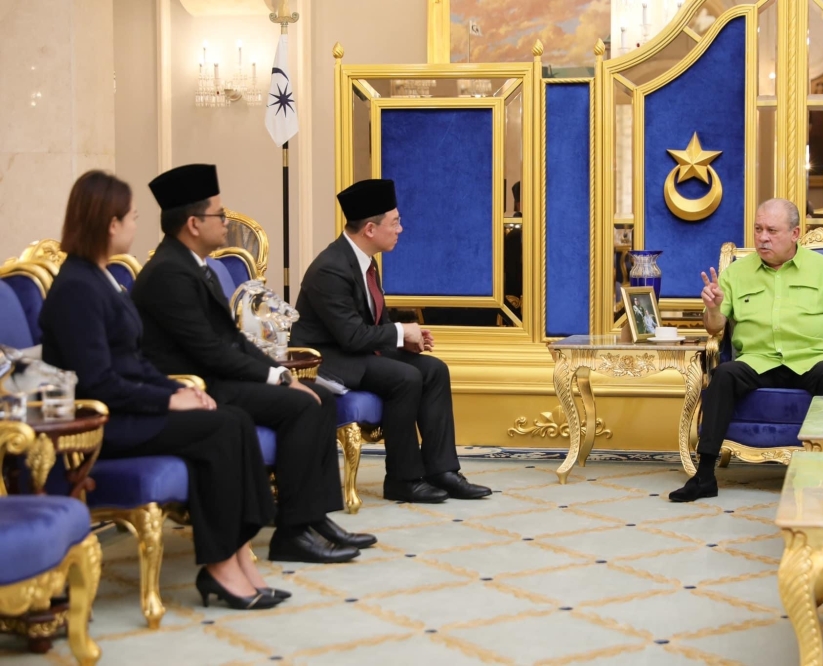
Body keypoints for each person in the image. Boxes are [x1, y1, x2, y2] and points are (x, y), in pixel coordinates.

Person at [40, 171, 283, 610]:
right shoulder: (76, 287)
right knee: (222, 429)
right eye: (131, 217)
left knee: (232, 419)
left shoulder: (100, 277)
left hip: (130, 407)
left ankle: (237, 554)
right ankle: (220, 567)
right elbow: (98, 382)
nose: (137, 225)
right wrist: (169, 398)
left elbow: (134, 361)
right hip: (104, 423)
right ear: (109, 224)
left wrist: (179, 389)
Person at [131, 164, 375, 564]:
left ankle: (314, 517)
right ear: (193, 223)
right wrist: (277, 378)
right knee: (299, 404)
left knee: (319, 397)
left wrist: (280, 374)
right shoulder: (168, 273)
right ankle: (292, 533)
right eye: (220, 215)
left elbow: (230, 339)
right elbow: (209, 350)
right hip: (198, 384)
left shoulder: (196, 266)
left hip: (219, 374)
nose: (227, 223)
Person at [669, 198, 823, 502]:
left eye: (772, 230)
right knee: (723, 375)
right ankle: (704, 475)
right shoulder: (737, 272)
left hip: (809, 360)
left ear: (795, 233)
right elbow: (714, 327)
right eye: (758, 229)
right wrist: (713, 307)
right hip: (757, 361)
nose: (762, 237)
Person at [290, 179, 492, 504]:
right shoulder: (330, 268)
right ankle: (403, 478)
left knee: (433, 370)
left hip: (357, 353)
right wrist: (402, 331)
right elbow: (352, 336)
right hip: (329, 360)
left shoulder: (366, 261)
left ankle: (442, 470)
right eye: (394, 222)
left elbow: (373, 326)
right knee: (405, 377)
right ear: (370, 229)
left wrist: (403, 343)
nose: (401, 228)